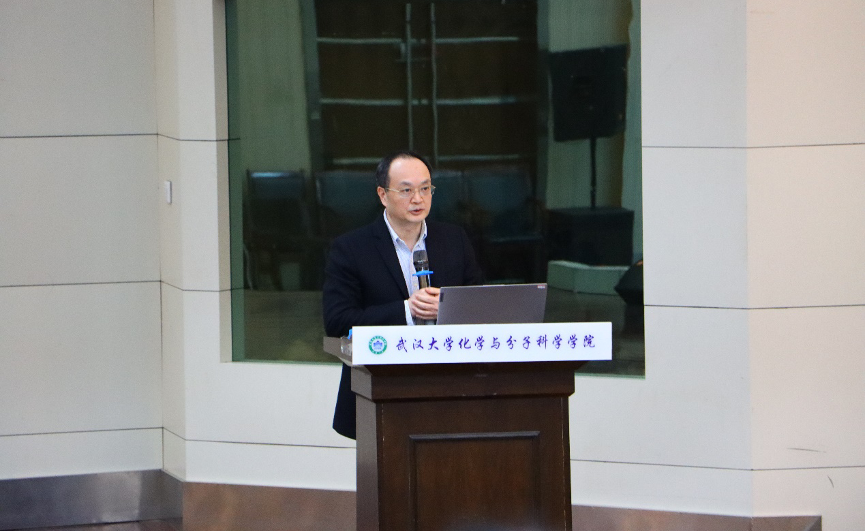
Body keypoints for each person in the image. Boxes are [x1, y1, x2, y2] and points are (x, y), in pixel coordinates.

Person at [322, 150, 484, 439]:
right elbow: (337, 321)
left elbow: (480, 305)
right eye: (406, 190)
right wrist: (407, 310)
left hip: (450, 388)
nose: (418, 199)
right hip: (382, 388)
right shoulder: (352, 248)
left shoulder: (454, 239)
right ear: (383, 195)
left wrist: (447, 307)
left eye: (425, 189)